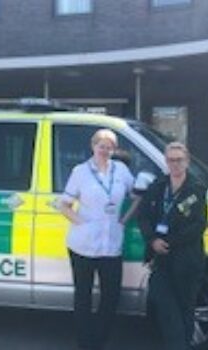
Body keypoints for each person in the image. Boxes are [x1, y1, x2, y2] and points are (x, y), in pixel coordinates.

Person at [57, 129, 135, 350]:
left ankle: (99, 340)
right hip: (83, 245)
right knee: (83, 296)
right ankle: (85, 342)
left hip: (111, 245)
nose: (105, 150)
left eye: (110, 146)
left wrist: (125, 219)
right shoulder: (80, 171)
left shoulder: (121, 170)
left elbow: (138, 194)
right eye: (101, 145)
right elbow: (64, 204)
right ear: (93, 146)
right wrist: (82, 223)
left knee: (111, 297)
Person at [138, 142, 208, 350]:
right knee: (166, 307)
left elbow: (198, 225)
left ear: (186, 162)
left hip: (186, 260)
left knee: (185, 311)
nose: (175, 164)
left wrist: (168, 242)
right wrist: (152, 240)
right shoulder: (158, 186)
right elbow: (143, 216)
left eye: (179, 160)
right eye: (170, 160)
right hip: (161, 260)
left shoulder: (196, 188)